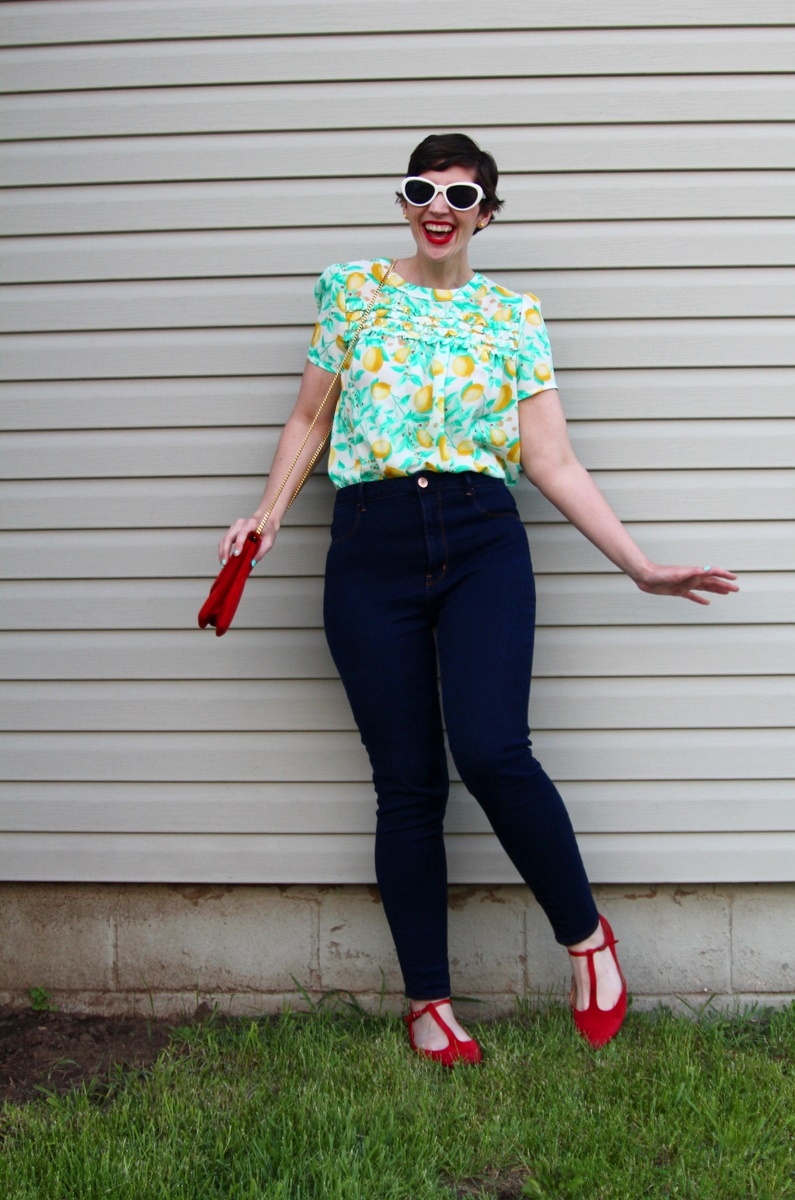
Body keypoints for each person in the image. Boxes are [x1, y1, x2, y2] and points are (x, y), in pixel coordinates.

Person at [218, 133, 738, 1066]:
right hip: (369, 544)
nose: (439, 206)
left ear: (486, 214)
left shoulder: (513, 316)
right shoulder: (354, 292)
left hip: (480, 537)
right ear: (405, 201)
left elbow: (552, 459)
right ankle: (429, 1006)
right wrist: (261, 517)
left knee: (495, 751)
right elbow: (311, 416)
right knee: (407, 785)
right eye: (422, 189)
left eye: (460, 195)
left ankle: (588, 944)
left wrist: (639, 565)